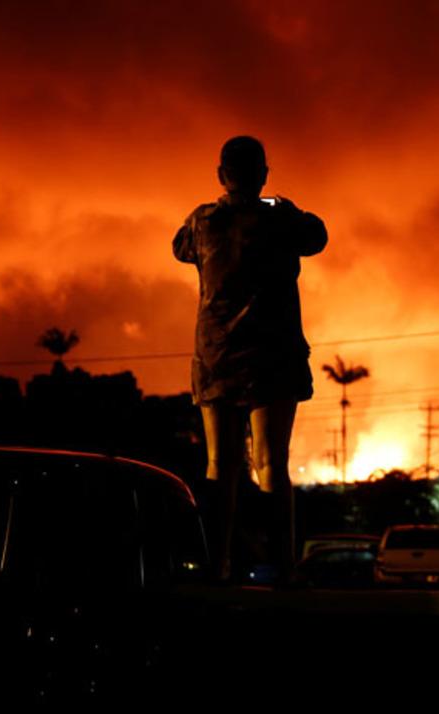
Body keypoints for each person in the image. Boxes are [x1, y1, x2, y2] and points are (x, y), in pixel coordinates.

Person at [172, 136, 327, 582]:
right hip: (273, 355)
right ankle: (283, 567)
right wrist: (282, 205)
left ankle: (216, 564)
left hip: (217, 355)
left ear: (222, 175)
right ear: (263, 175)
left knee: (219, 464)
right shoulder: (281, 220)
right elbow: (317, 236)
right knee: (271, 463)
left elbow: (180, 249)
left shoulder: (203, 221)